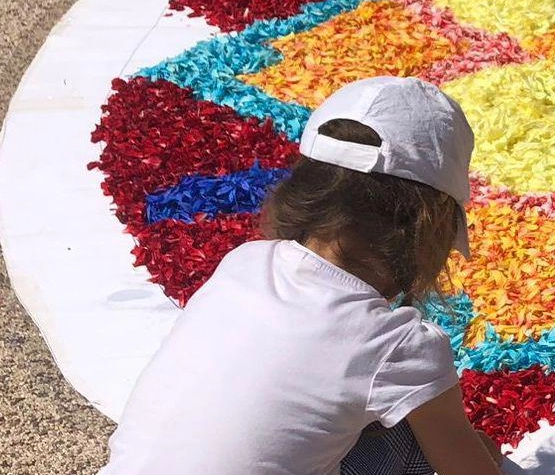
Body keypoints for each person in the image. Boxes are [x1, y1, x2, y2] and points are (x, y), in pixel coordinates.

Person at [99, 76, 504, 475]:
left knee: (385, 431)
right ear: (423, 229)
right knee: (422, 446)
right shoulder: (396, 345)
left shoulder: (244, 263)